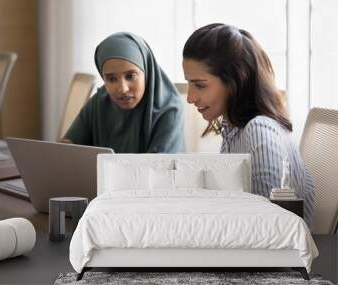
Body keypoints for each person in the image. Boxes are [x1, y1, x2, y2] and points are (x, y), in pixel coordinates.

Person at [182, 23, 315, 227]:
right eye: (189, 83)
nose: (190, 98)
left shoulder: (259, 131)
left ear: (235, 80)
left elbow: (269, 225)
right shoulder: (233, 129)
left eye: (200, 85)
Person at [63, 32, 185, 153]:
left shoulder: (170, 110)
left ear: (146, 71)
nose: (122, 89)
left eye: (130, 76)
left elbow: (158, 169)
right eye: (111, 79)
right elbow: (67, 149)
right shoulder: (99, 102)